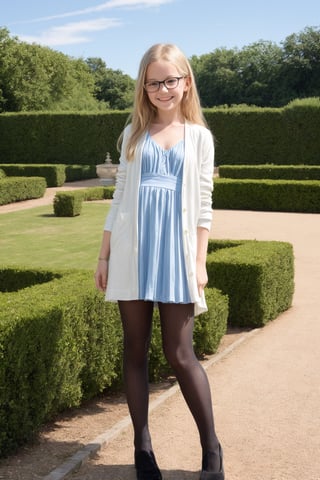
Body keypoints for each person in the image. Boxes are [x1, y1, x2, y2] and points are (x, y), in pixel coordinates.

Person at [95, 43, 224, 480]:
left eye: (172, 80)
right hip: (133, 253)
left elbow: (204, 205)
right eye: (155, 82)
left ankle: (211, 449)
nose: (164, 89)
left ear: (186, 82)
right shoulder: (133, 132)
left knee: (180, 353)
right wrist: (103, 254)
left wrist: (201, 261)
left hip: (177, 255)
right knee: (135, 352)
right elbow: (118, 199)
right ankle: (142, 447)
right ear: (144, 86)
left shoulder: (199, 137)